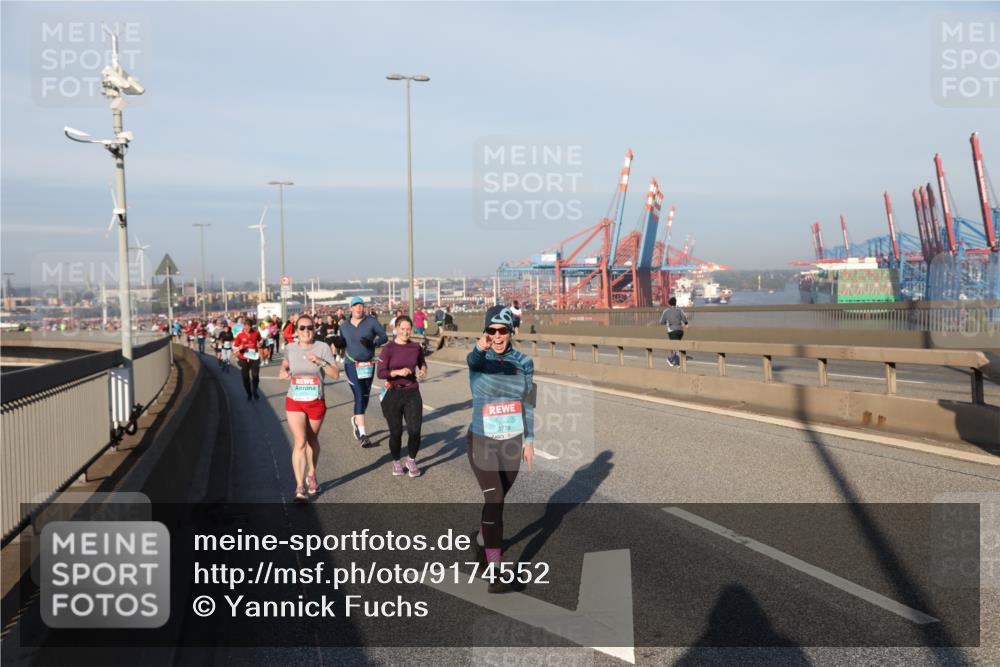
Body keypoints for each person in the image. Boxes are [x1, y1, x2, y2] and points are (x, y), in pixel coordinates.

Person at [466, 306, 535, 594]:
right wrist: (479, 349)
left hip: (512, 440)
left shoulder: (524, 361)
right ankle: (496, 570)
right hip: (482, 439)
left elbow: (529, 401)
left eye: (502, 330)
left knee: (499, 500)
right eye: (491, 330)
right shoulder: (479, 360)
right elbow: (472, 359)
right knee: (494, 499)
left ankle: (482, 537)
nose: (497, 336)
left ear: (511, 332)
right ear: (485, 332)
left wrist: (529, 440)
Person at [278, 314, 340, 502]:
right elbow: (286, 362)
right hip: (295, 399)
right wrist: (283, 370)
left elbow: (335, 374)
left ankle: (311, 474)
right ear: (296, 331)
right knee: (300, 441)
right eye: (302, 328)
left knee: (312, 440)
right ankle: (299, 486)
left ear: (315, 329)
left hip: (315, 400)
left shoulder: (322, 348)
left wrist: (320, 362)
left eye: (310, 328)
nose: (306, 331)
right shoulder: (290, 348)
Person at [377, 315, 427, 478]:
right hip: (393, 392)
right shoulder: (389, 348)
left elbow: (422, 362)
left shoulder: (415, 347)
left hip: (412, 391)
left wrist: (423, 369)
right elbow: (380, 372)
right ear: (396, 329)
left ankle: (411, 460)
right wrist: (397, 372)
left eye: (408, 329)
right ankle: (396, 461)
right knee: (396, 432)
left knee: (415, 430)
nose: (406, 332)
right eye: (402, 329)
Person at [340, 296, 388, 448]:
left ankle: (356, 419)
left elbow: (384, 336)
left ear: (364, 308)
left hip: (368, 364)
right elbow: (342, 342)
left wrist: (374, 342)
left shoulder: (371, 322)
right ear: (351, 308)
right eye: (355, 306)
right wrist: (337, 343)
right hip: (351, 364)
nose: (358, 308)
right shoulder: (344, 326)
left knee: (365, 396)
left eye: (361, 305)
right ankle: (363, 434)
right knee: (359, 395)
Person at [233, 318, 264, 401]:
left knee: (255, 376)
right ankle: (249, 394)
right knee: (245, 378)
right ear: (244, 326)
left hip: (254, 357)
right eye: (246, 327)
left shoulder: (256, 333)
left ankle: (255, 391)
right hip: (244, 358)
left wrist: (260, 344)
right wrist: (240, 347)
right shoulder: (240, 335)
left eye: (249, 327)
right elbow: (235, 347)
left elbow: (261, 341)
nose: (247, 329)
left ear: (251, 327)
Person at [659, 296, 689, 367]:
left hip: (672, 330)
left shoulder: (666, 311)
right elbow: (684, 318)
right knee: (676, 344)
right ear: (675, 303)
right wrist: (686, 324)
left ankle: (674, 361)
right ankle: (674, 359)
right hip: (680, 331)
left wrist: (666, 323)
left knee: (674, 345)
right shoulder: (679, 310)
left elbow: (661, 322)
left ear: (669, 304)